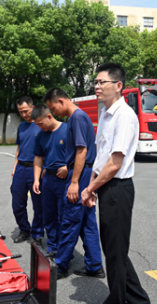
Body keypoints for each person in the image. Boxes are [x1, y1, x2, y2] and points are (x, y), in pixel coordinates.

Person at [81, 63, 152, 304]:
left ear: (118, 85)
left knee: (114, 251)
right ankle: (138, 301)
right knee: (115, 248)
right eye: (95, 83)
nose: (97, 87)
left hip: (118, 189)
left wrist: (89, 189)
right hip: (106, 187)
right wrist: (91, 187)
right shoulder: (106, 113)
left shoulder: (124, 115)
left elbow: (115, 163)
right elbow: (100, 158)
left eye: (102, 82)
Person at [44, 88, 103, 280]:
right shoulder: (80, 117)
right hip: (86, 171)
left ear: (61, 101)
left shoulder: (76, 118)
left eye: (53, 108)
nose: (54, 113)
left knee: (69, 219)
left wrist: (74, 182)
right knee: (87, 220)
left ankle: (60, 266)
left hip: (80, 172)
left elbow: (81, 151)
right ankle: (94, 264)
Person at [31, 104, 68, 256]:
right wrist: (36, 179)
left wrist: (68, 167)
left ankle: (63, 249)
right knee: (48, 214)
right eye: (37, 125)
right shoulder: (41, 135)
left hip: (63, 180)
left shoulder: (67, 130)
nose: (40, 127)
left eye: (41, 123)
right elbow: (38, 158)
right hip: (48, 180)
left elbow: (80, 154)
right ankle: (52, 247)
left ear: (49, 116)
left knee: (62, 216)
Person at [11, 97, 44, 244]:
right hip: (20, 169)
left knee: (38, 204)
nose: (24, 114)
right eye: (20, 112)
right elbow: (19, 148)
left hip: (35, 169)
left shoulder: (41, 125)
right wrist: (14, 168)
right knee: (17, 203)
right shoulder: (21, 127)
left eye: (26, 111)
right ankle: (24, 229)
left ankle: (37, 234)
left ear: (33, 107)